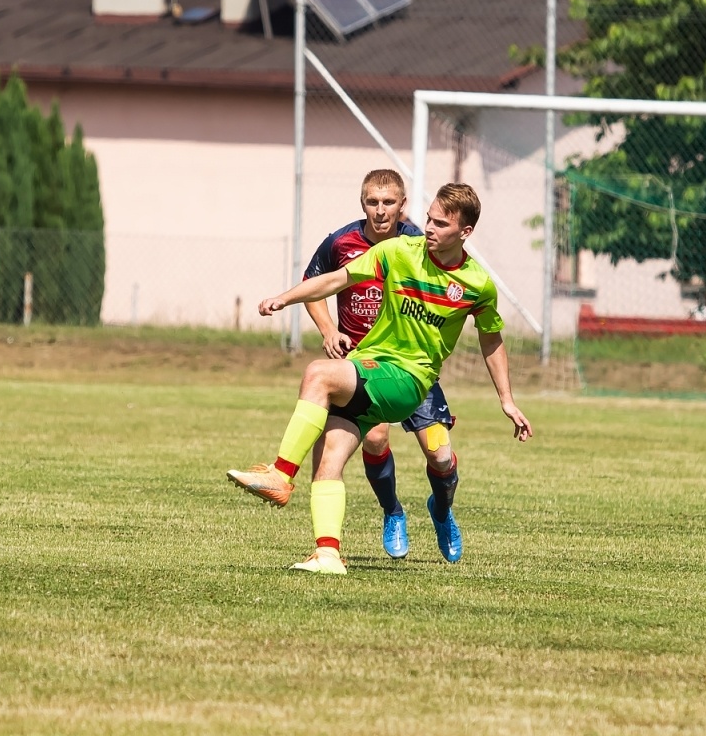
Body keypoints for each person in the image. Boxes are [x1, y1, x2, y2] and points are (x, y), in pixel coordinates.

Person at [226, 183, 532, 574]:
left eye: (440, 223)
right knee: (329, 460)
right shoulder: (397, 251)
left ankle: (281, 475)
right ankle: (327, 554)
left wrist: (506, 399)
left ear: (465, 231)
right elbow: (337, 279)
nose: (430, 228)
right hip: (371, 367)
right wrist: (286, 298)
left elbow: (492, 340)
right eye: (429, 219)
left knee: (321, 375)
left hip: (408, 380)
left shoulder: (477, 284)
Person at [303, 169, 463, 561]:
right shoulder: (340, 242)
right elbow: (314, 284)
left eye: (388, 202)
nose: (380, 210)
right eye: (372, 202)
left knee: (439, 453)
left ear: (402, 205)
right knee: (374, 439)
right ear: (363, 204)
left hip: (411, 367)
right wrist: (328, 330)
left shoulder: (419, 242)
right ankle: (392, 512)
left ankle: (441, 511)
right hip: (363, 365)